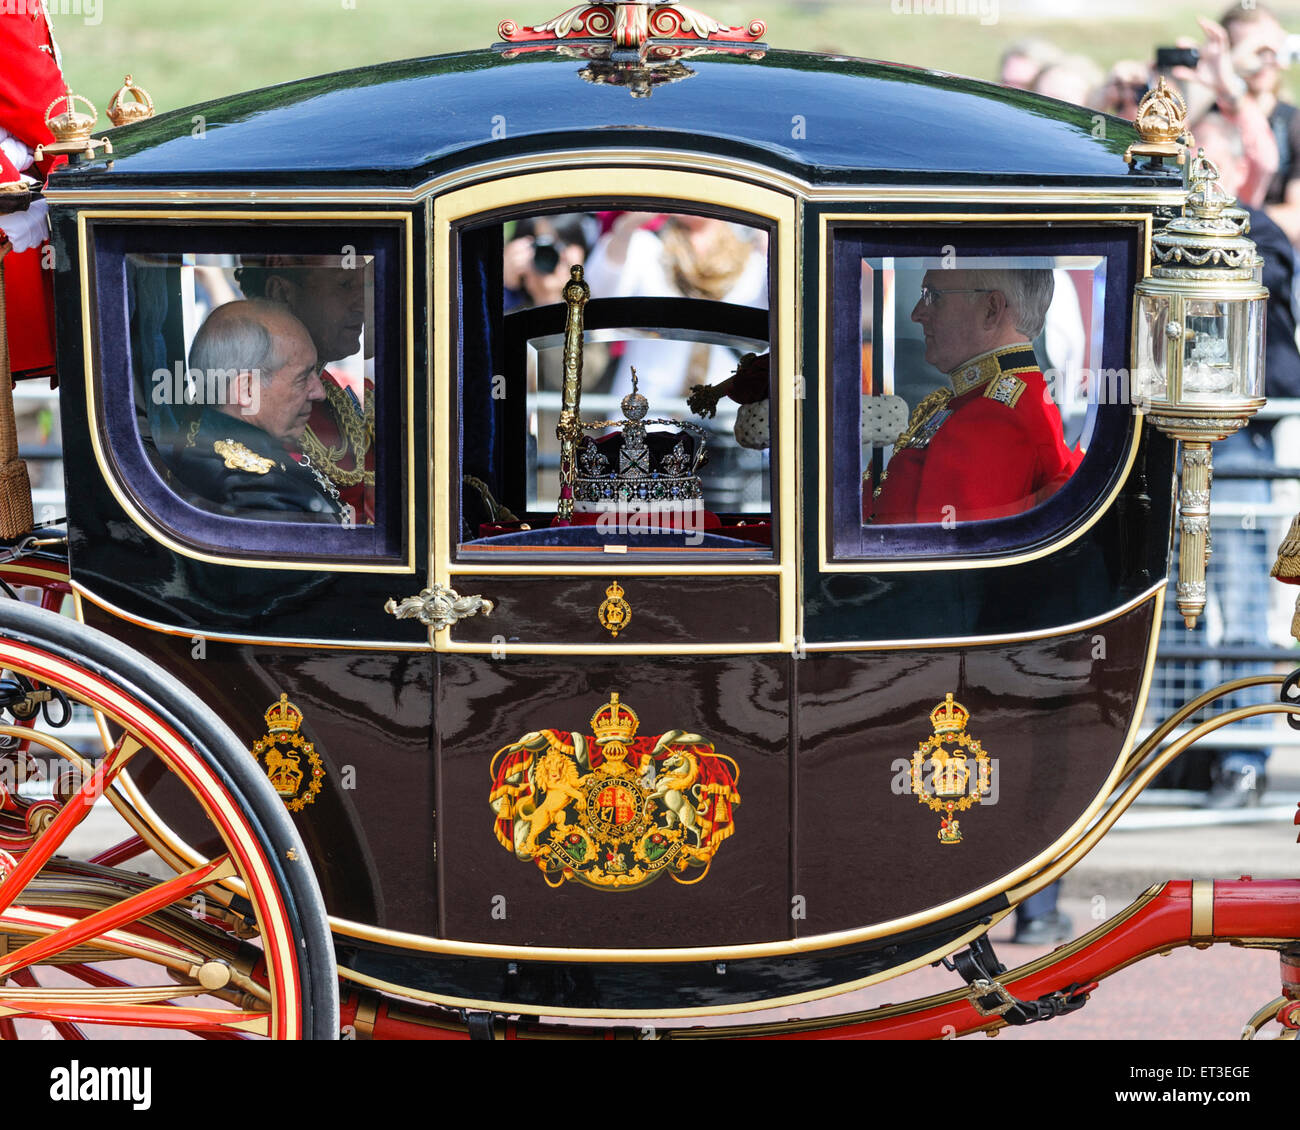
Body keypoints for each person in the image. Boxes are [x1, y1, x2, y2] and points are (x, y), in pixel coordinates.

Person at [1176, 114, 1300, 806]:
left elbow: (1260, 283)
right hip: (1156, 444)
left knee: (1243, 602)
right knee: (1165, 609)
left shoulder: (1257, 230)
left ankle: (1244, 758)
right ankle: (1182, 752)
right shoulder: (1155, 223)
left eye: (1204, 160)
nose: (1193, 173)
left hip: (1240, 439)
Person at [870, 269, 1081, 525]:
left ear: (991, 309)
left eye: (933, 296)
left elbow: (944, 555)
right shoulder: (993, 398)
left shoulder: (991, 418)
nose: (917, 314)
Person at [164, 300, 343, 521]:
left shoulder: (204, 441)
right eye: (303, 377)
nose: (319, 392)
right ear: (247, 390)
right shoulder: (258, 492)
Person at [234, 255, 373, 524]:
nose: (363, 304)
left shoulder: (332, 390)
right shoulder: (253, 405)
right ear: (282, 293)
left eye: (363, 287)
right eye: (345, 285)